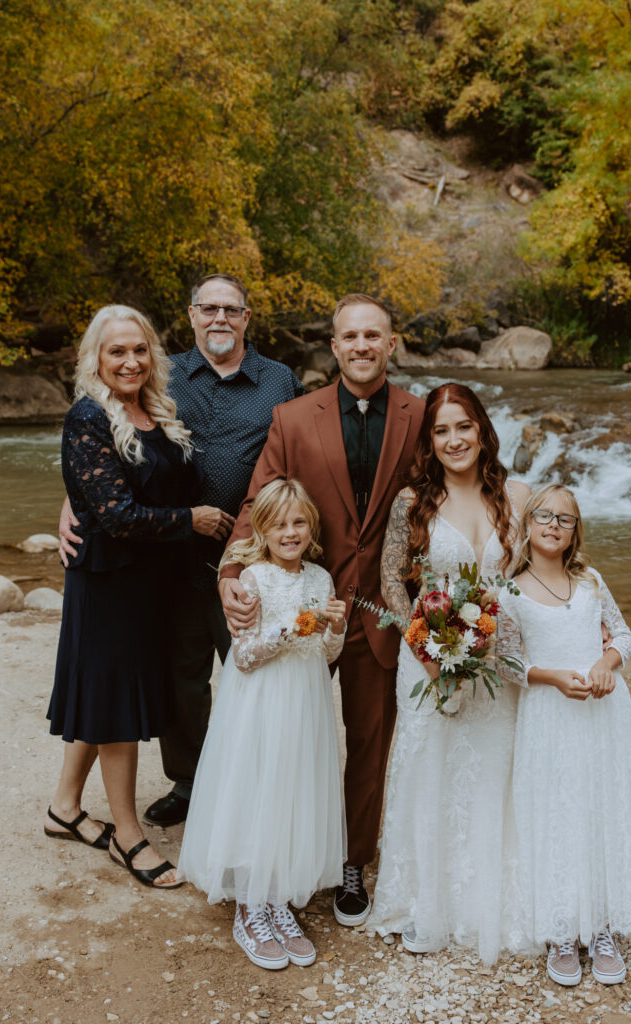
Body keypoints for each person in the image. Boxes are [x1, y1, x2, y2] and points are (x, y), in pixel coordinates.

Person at [59, 274, 304, 827]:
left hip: (253, 558)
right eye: (208, 308)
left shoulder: (280, 380)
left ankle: (259, 784)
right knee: (181, 678)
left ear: (247, 318)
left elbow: (302, 453)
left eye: (232, 310)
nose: (220, 318)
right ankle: (190, 782)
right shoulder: (160, 376)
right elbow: (115, 448)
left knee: (255, 671)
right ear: (192, 315)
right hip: (172, 560)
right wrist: (73, 500)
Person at [220, 294, 425, 926]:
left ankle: (351, 863)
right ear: (333, 347)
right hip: (299, 599)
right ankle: (275, 859)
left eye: (374, 335)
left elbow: (455, 487)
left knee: (369, 740)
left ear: (392, 344)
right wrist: (230, 573)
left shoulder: (421, 416)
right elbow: (258, 501)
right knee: (285, 734)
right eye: (350, 337)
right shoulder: (291, 418)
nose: (362, 346)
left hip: (378, 610)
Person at [46, 305, 229, 888]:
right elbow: (117, 514)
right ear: (95, 358)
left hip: (149, 584)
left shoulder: (157, 412)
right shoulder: (88, 416)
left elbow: (147, 486)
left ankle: (65, 807)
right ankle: (129, 837)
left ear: (154, 355)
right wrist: (193, 521)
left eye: (139, 350)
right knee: (118, 709)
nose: (129, 361)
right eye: (116, 351)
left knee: (103, 695)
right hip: (108, 583)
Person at [367, 383, 531, 963]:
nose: (454, 439)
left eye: (464, 426)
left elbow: (537, 579)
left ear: (483, 430)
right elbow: (391, 579)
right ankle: (427, 901)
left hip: (498, 664)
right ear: (429, 442)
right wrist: (427, 641)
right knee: (430, 772)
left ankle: (489, 898)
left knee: (493, 775)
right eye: (441, 431)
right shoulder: (413, 501)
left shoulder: (519, 495)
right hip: (428, 661)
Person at [179, 479, 346, 970]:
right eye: (278, 524)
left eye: (298, 523)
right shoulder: (252, 579)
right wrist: (294, 626)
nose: (289, 532)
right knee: (259, 791)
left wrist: (333, 628)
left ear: (311, 528)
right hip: (260, 704)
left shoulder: (321, 579)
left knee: (292, 791)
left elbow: (328, 654)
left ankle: (277, 901)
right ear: (263, 529)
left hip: (305, 701)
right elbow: (245, 656)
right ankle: (250, 908)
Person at [498, 484, 631, 986]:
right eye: (543, 515)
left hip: (602, 715)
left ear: (574, 532)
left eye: (564, 520)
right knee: (557, 810)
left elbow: (623, 635)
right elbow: (506, 660)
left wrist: (606, 664)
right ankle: (562, 927)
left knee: (598, 808)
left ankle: (601, 924)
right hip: (549, 714)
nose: (552, 525)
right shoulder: (512, 591)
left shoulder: (590, 582)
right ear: (527, 524)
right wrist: (551, 677)